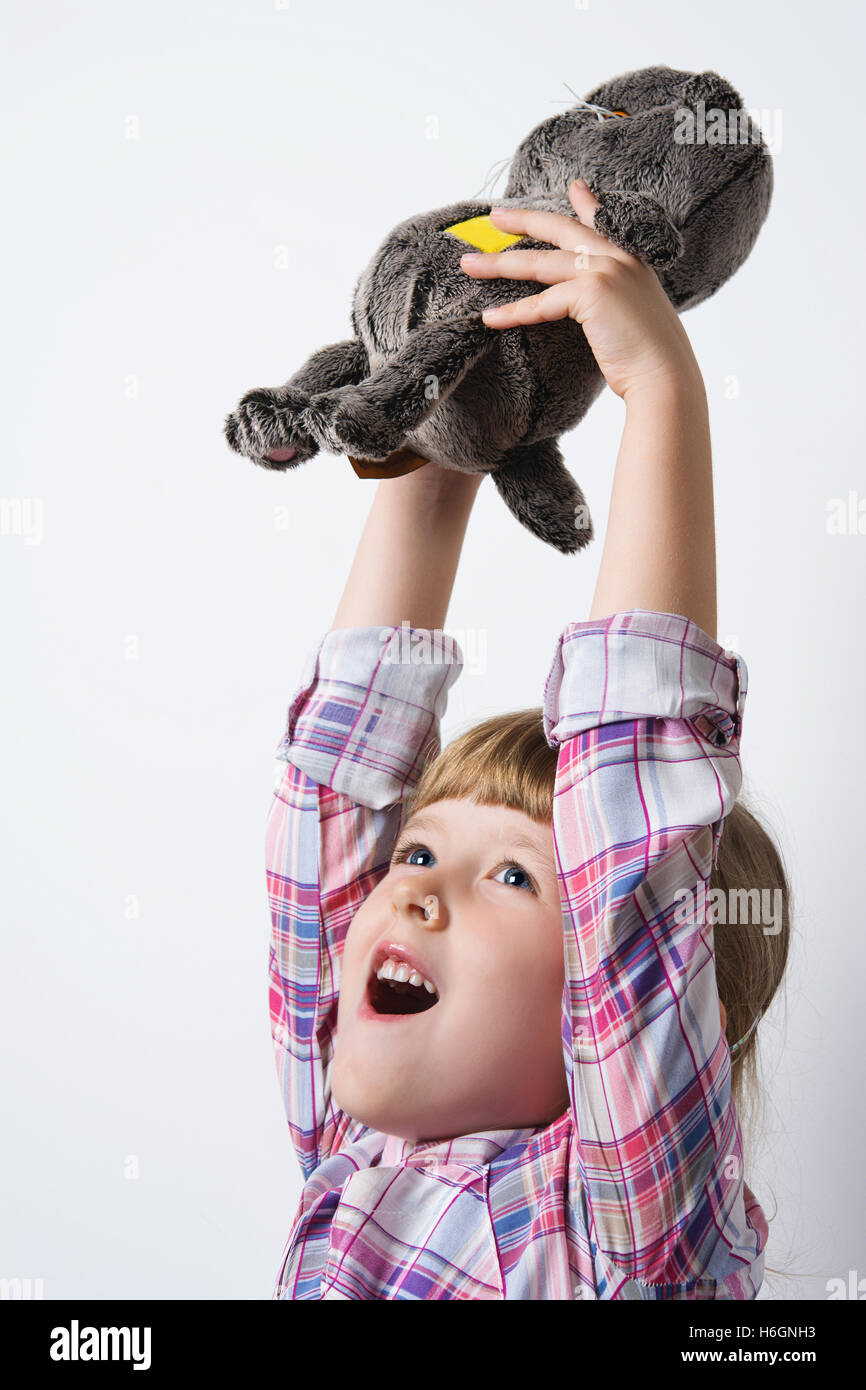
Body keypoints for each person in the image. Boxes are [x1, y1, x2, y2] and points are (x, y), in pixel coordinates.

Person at [264, 180, 790, 1300]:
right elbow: (340, 785)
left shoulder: (614, 1235)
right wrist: (452, 413)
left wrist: (655, 388)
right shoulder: (353, 1153)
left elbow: (630, 833)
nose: (409, 893)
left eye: (513, 873)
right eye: (415, 853)